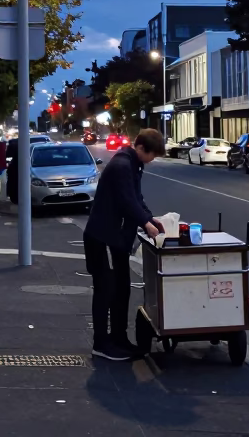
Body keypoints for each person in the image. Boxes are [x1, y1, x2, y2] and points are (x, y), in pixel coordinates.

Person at [83, 129, 166, 361]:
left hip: (116, 238)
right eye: (152, 155)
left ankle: (119, 337)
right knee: (105, 289)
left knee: (122, 288)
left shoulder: (132, 165)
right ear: (141, 149)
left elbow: (136, 198)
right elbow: (126, 200)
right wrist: (144, 222)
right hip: (102, 237)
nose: (152, 160)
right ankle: (101, 342)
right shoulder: (122, 166)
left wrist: (150, 218)